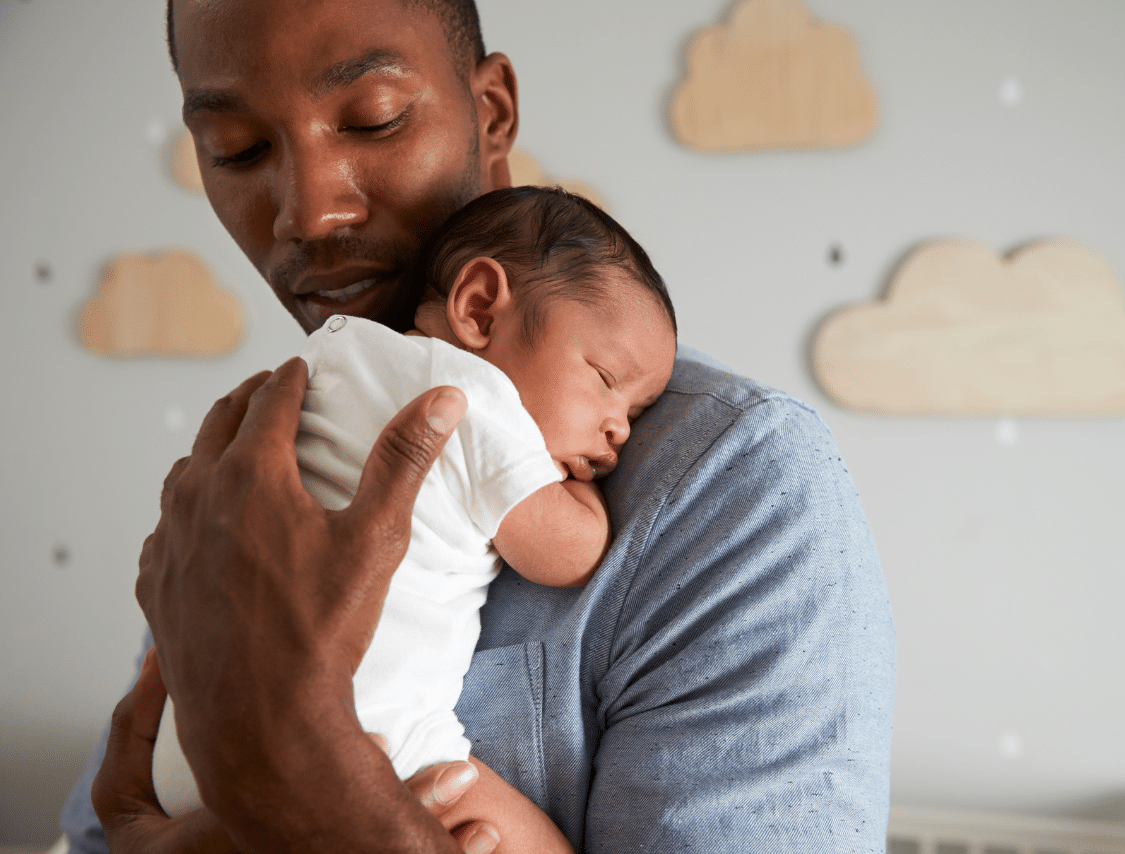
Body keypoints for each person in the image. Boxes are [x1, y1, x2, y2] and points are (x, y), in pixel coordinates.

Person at [60, 1, 896, 852]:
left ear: (491, 112)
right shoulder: (257, 463)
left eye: (374, 119)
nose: (309, 214)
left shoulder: (735, 487)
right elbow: (110, 822)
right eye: (237, 148)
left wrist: (314, 782)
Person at [150, 185, 678, 852]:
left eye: (634, 414)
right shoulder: (476, 399)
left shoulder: (331, 358)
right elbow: (567, 554)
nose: (618, 432)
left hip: (187, 752)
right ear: (480, 308)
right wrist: (583, 497)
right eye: (606, 379)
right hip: (368, 740)